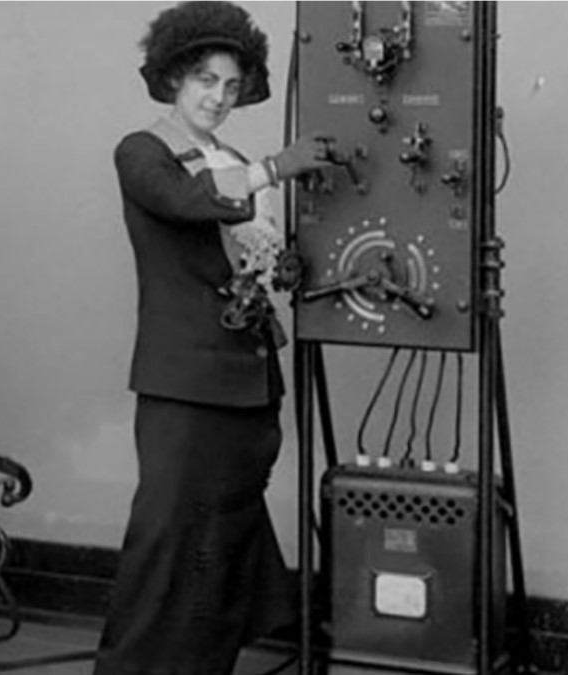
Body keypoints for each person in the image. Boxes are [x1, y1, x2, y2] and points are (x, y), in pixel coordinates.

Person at [98, 2, 333, 674]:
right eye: (205, 79)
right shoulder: (142, 150)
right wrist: (273, 170)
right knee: (170, 542)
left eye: (231, 86)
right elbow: (186, 200)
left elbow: (248, 243)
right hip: (185, 384)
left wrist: (283, 262)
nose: (218, 97)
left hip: (248, 380)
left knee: (224, 541)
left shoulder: (227, 155)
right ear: (174, 77)